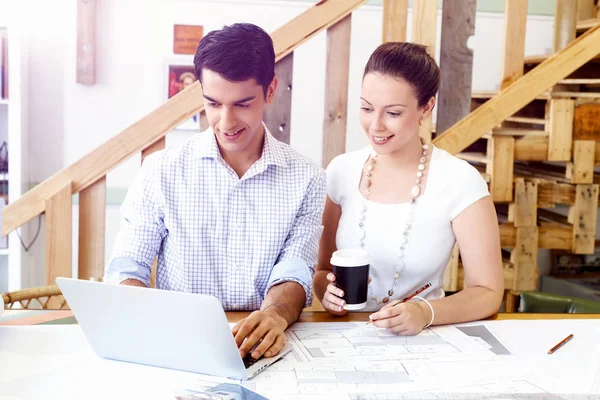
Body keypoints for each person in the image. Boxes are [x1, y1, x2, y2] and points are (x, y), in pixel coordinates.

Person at [105, 23, 326, 360]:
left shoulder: (306, 177)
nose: (226, 122)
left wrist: (274, 315)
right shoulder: (161, 171)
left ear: (270, 91)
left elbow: (294, 271)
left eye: (242, 104)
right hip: (177, 341)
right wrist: (148, 320)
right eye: (213, 104)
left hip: (263, 347)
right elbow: (126, 268)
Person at [313, 42, 504, 335]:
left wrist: (424, 312)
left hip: (425, 339)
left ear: (426, 107)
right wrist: (327, 294)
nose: (375, 125)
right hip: (344, 336)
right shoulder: (341, 170)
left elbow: (488, 291)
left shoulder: (460, 181)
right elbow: (323, 270)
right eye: (366, 108)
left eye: (393, 113)